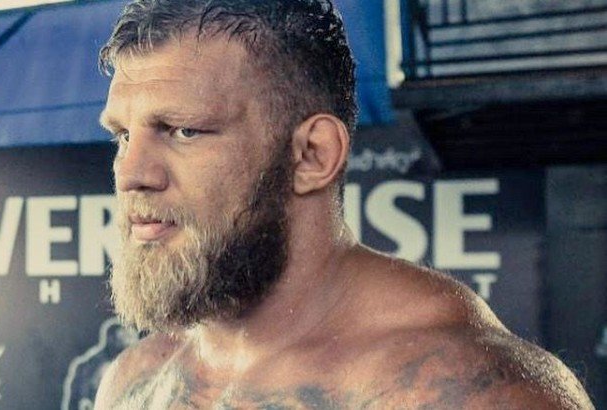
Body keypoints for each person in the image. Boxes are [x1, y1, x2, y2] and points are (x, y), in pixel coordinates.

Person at [94, 0, 594, 408]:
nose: (131, 175)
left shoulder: (465, 392)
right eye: (122, 136)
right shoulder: (136, 379)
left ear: (313, 154)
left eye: (183, 130)